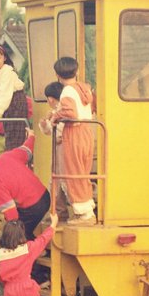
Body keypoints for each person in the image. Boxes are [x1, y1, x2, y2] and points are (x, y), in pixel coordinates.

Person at [50, 56, 96, 225]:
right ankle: (87, 209)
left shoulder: (67, 91)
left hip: (74, 132)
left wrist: (55, 116)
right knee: (82, 172)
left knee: (73, 173)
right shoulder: (84, 88)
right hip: (87, 130)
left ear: (57, 75)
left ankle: (84, 215)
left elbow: (70, 113)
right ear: (76, 71)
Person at [0, 43, 29, 152]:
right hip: (8, 103)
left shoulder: (7, 71)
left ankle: (15, 160)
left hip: (16, 102)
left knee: (15, 137)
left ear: (4, 58)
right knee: (9, 134)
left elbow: (5, 93)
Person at [38, 81, 70, 220]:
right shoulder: (59, 110)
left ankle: (60, 211)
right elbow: (50, 130)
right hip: (61, 147)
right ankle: (59, 211)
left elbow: (56, 131)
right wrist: (45, 123)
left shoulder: (60, 110)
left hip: (63, 148)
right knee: (57, 179)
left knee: (59, 180)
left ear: (50, 98)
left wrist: (47, 124)